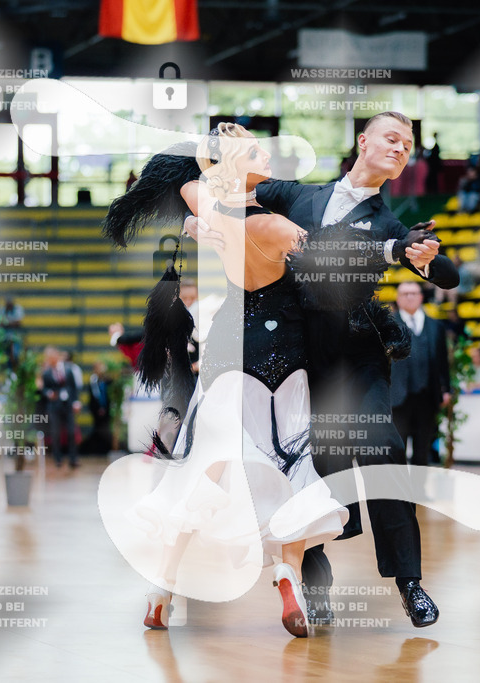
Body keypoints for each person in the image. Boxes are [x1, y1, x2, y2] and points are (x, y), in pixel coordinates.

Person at [100, 124, 351, 638]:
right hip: (285, 357)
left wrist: (206, 181)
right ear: (235, 163)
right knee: (293, 468)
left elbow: (195, 182)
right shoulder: (275, 224)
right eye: (258, 151)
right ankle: (287, 579)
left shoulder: (206, 208)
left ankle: (161, 589)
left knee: (203, 473)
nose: (270, 157)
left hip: (231, 351)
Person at [254, 112, 457, 628]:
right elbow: (248, 186)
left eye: (408, 144)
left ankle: (410, 583)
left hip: (359, 358)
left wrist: (429, 259)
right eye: (392, 138)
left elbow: (449, 275)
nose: (401, 147)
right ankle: (315, 590)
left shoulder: (390, 224)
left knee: (384, 451)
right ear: (363, 142)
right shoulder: (301, 197)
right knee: (314, 471)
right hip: (305, 359)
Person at [390, 282, 451, 466]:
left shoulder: (435, 326)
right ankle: (399, 493)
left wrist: (446, 389)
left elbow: (442, 361)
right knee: (397, 446)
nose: (410, 297)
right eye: (405, 293)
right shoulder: (388, 325)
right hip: (397, 396)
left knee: (423, 447)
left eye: (413, 293)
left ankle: (419, 490)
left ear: (421, 297)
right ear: (398, 299)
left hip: (427, 395)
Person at [40, 345, 81, 469]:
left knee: (71, 432)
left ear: (56, 356)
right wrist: (48, 393)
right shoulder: (46, 373)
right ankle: (58, 459)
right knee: (55, 433)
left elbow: (73, 387)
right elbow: (44, 389)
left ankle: (73, 458)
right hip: (54, 406)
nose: (50, 360)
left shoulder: (68, 369)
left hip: (68, 404)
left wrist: (76, 402)